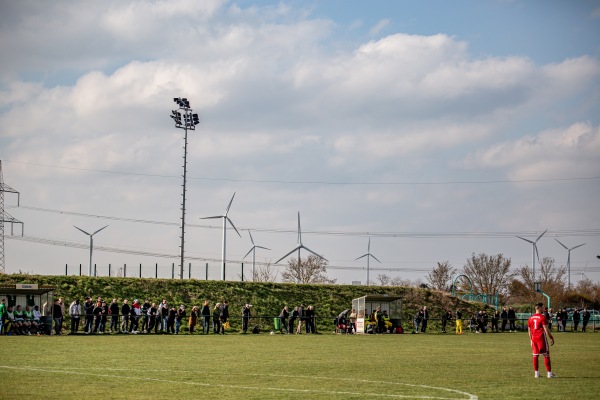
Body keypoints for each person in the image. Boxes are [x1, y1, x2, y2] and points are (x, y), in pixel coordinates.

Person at [528, 302, 556, 378]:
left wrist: (531, 340)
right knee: (546, 355)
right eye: (543, 307)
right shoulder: (542, 317)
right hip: (541, 339)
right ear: (540, 308)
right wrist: (551, 337)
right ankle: (549, 374)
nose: (544, 309)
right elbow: (546, 330)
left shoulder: (530, 318)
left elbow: (529, 330)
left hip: (534, 339)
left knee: (535, 356)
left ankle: (536, 374)